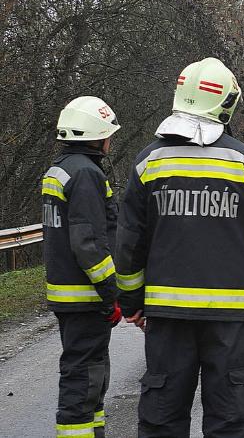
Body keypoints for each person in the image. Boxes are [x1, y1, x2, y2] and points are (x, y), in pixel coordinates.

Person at [114, 57, 244, 437]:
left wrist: (131, 302)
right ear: (227, 102)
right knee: (228, 420)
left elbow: (129, 242)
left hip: (167, 318)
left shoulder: (148, 162)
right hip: (232, 321)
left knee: (162, 418)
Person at [42, 96, 122, 438]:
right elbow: (88, 244)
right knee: (84, 375)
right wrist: (110, 294)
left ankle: (94, 432)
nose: (110, 140)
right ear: (96, 135)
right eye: (108, 133)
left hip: (67, 294)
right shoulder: (86, 174)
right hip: (86, 296)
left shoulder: (58, 170)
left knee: (91, 373)